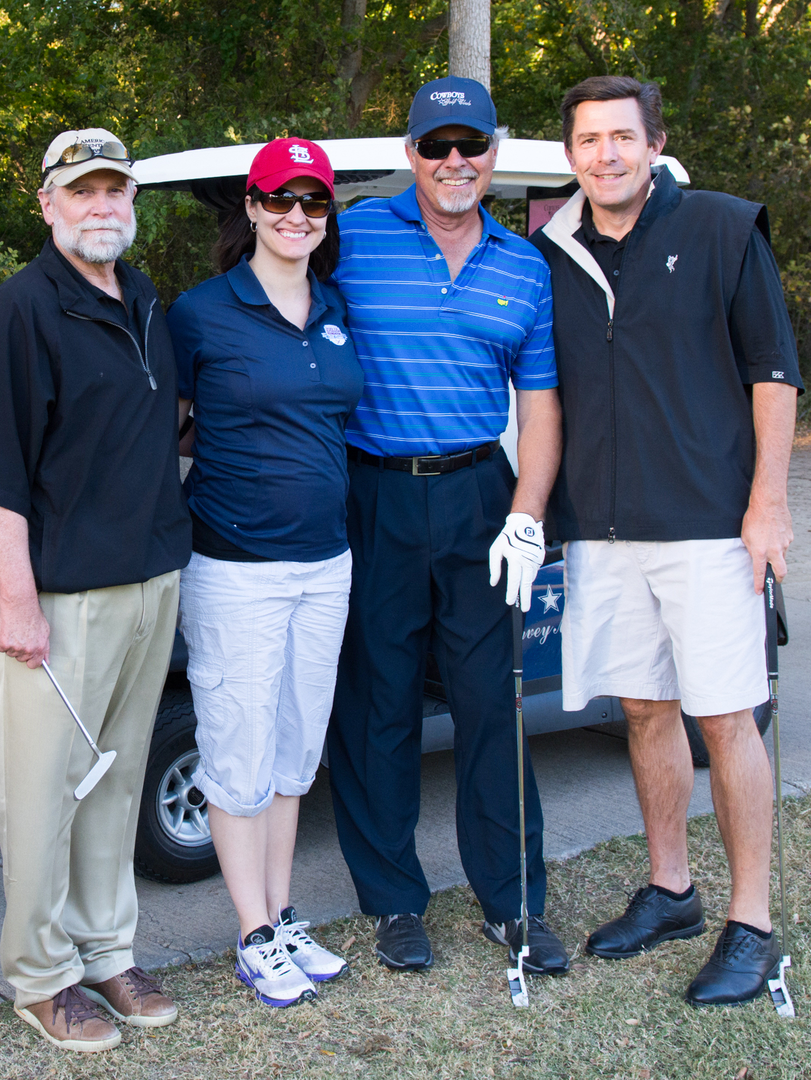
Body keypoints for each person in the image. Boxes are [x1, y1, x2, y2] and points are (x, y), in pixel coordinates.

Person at [528, 76, 805, 1006]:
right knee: (643, 712)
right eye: (588, 139)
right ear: (569, 153)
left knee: (725, 719)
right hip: (603, 531)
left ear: (653, 144)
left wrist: (767, 502)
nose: (604, 153)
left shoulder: (724, 228)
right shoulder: (552, 250)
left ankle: (752, 923)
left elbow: (774, 373)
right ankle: (672, 889)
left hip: (708, 528)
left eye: (621, 137)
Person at [0, 127, 188, 1052]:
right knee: (43, 794)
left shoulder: (146, 300)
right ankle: (43, 978)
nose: (101, 208)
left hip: (150, 583)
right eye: (82, 193)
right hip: (62, 599)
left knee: (115, 784)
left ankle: (106, 949)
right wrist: (18, 599)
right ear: (47, 205)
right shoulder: (20, 311)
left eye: (115, 192)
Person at [326, 76, 570, 976]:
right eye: (438, 146)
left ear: (493, 156)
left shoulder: (524, 264)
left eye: (471, 146)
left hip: (480, 497)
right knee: (380, 705)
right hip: (375, 493)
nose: (455, 162)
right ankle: (393, 900)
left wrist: (527, 517)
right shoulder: (352, 237)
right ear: (411, 155)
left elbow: (538, 406)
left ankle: (512, 902)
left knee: (490, 706)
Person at [166, 138, 360, 1008]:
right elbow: (160, 430)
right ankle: (249, 934)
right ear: (249, 207)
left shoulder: (337, 307)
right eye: (278, 198)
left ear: (326, 215)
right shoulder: (202, 313)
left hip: (327, 565)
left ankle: (282, 916)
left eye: (312, 201)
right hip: (237, 567)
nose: (295, 215)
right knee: (238, 750)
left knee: (293, 754)